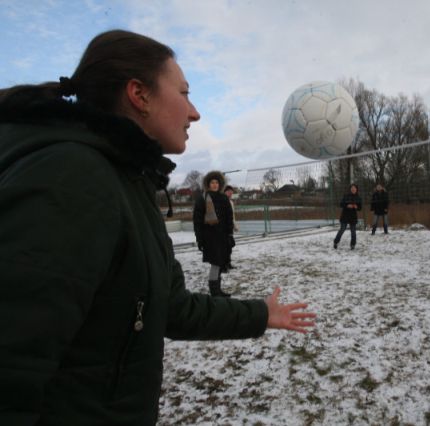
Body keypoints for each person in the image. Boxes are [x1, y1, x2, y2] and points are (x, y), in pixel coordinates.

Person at [0, 30, 315, 425]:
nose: (195, 112)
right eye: (184, 93)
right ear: (139, 94)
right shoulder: (72, 177)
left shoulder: (128, 183)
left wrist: (260, 315)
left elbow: (172, 307)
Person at [193, 172, 234, 297]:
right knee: (215, 263)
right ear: (208, 184)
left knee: (221, 263)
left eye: (217, 182)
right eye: (212, 182)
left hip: (222, 237)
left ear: (220, 184)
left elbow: (229, 218)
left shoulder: (224, 198)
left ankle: (218, 290)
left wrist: (229, 234)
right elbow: (197, 221)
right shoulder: (203, 199)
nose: (215, 185)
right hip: (210, 237)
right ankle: (215, 292)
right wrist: (200, 240)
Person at [333, 183, 362, 250]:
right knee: (342, 229)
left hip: (353, 216)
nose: (353, 189)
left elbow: (360, 208)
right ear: (350, 189)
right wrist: (347, 205)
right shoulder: (346, 196)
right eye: (352, 188)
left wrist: (356, 207)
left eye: (354, 188)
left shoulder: (358, 198)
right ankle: (335, 242)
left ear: (356, 189)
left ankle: (352, 244)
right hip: (345, 215)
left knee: (353, 231)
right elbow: (341, 204)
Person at [224, 185, 238, 270]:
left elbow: (232, 215)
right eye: (229, 191)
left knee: (230, 246)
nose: (231, 193)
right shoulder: (222, 201)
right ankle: (224, 264)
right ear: (225, 192)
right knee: (226, 246)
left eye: (231, 191)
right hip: (223, 228)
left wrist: (234, 225)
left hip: (229, 227)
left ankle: (228, 263)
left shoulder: (231, 202)